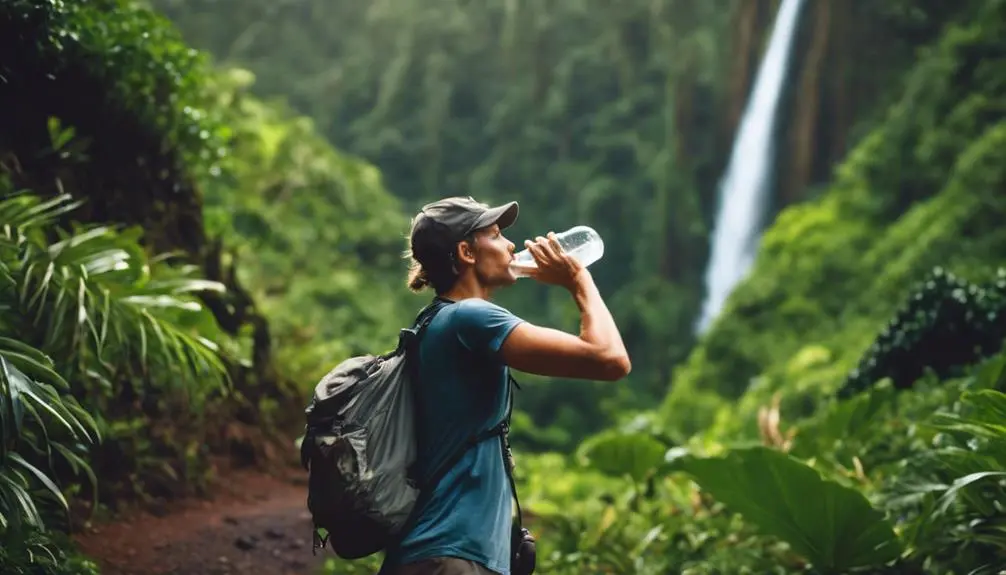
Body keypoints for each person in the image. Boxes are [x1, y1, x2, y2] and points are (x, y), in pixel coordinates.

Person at [381, 196, 631, 575]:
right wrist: (578, 279)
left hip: (434, 552)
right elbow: (610, 359)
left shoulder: (434, 321)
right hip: (452, 556)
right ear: (466, 252)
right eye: (496, 235)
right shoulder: (472, 317)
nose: (512, 245)